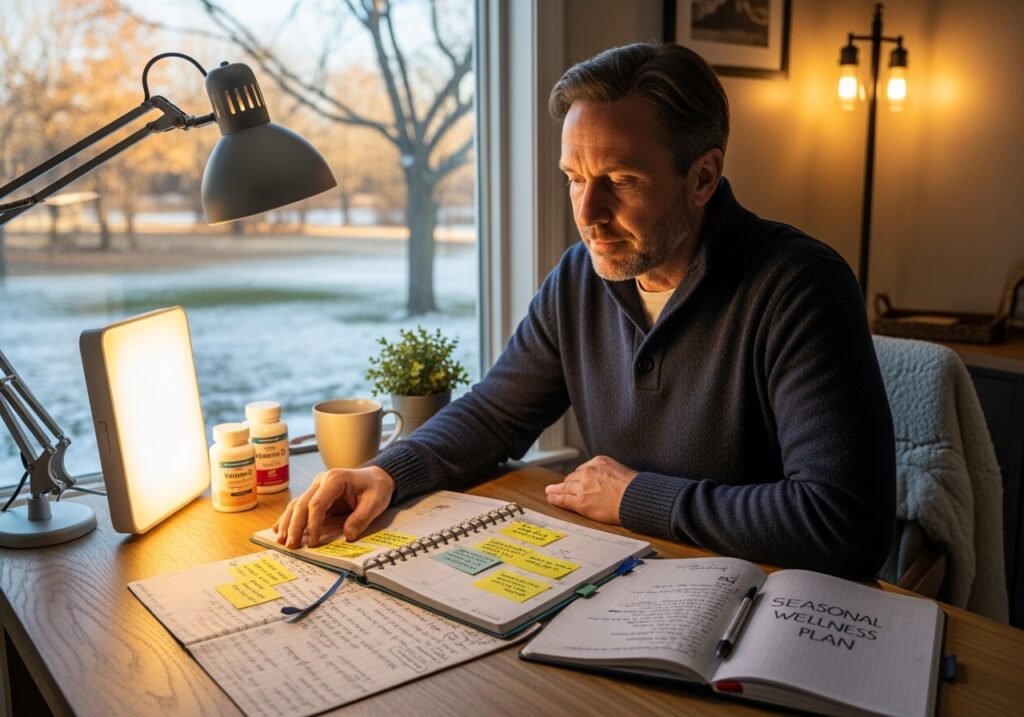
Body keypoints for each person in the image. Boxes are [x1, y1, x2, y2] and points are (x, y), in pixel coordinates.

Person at [275, 42, 896, 579]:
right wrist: (387, 472)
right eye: (575, 177)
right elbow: (495, 414)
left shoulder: (800, 287)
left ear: (703, 177)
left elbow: (844, 524)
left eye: (622, 180)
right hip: (623, 577)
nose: (588, 214)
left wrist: (637, 499)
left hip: (756, 604)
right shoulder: (579, 278)